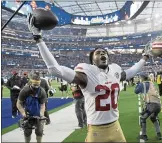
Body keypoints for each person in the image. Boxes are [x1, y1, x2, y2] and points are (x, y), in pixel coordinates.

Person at [27, 13, 152, 142]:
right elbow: (55, 69)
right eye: (98, 53)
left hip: (116, 126)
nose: (102, 54)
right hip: (96, 130)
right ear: (92, 61)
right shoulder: (86, 74)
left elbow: (132, 71)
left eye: (104, 52)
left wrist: (145, 57)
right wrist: (38, 39)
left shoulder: (115, 70)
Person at [16, 71, 47, 143]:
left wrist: (41, 114)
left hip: (38, 114)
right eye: (34, 84)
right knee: (27, 132)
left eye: (37, 84)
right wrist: (23, 113)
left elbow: (42, 105)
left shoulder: (42, 91)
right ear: (30, 82)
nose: (36, 86)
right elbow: (18, 103)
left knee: (39, 132)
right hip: (27, 114)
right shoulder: (25, 90)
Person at [134, 73, 162, 141]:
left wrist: (137, 83)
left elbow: (136, 91)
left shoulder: (142, 84)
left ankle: (144, 135)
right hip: (158, 105)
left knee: (143, 118)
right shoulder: (151, 83)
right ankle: (159, 134)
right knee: (153, 118)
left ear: (142, 78)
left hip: (151, 105)